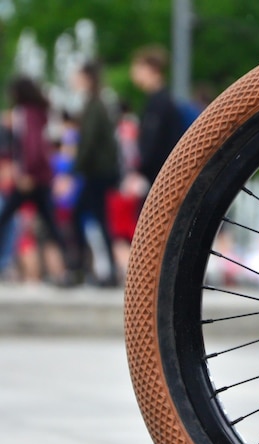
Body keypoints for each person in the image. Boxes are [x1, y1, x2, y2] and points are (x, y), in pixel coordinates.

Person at [0, 76, 68, 283]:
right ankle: (70, 265)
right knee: (50, 223)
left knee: (5, 217)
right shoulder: (40, 112)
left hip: (31, 179)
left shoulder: (26, 113)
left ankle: (68, 265)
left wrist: (27, 172)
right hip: (42, 177)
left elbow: (31, 145)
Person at [72, 61, 119, 286]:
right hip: (100, 172)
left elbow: (88, 143)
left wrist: (74, 171)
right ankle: (93, 269)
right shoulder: (97, 104)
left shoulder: (94, 105)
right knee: (98, 219)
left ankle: (80, 269)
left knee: (85, 216)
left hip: (96, 173)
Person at [122, 44, 184, 198]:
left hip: (158, 177)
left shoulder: (158, 103)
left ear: (151, 69)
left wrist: (139, 170)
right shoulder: (160, 100)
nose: (133, 73)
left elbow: (152, 144)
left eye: (137, 68)